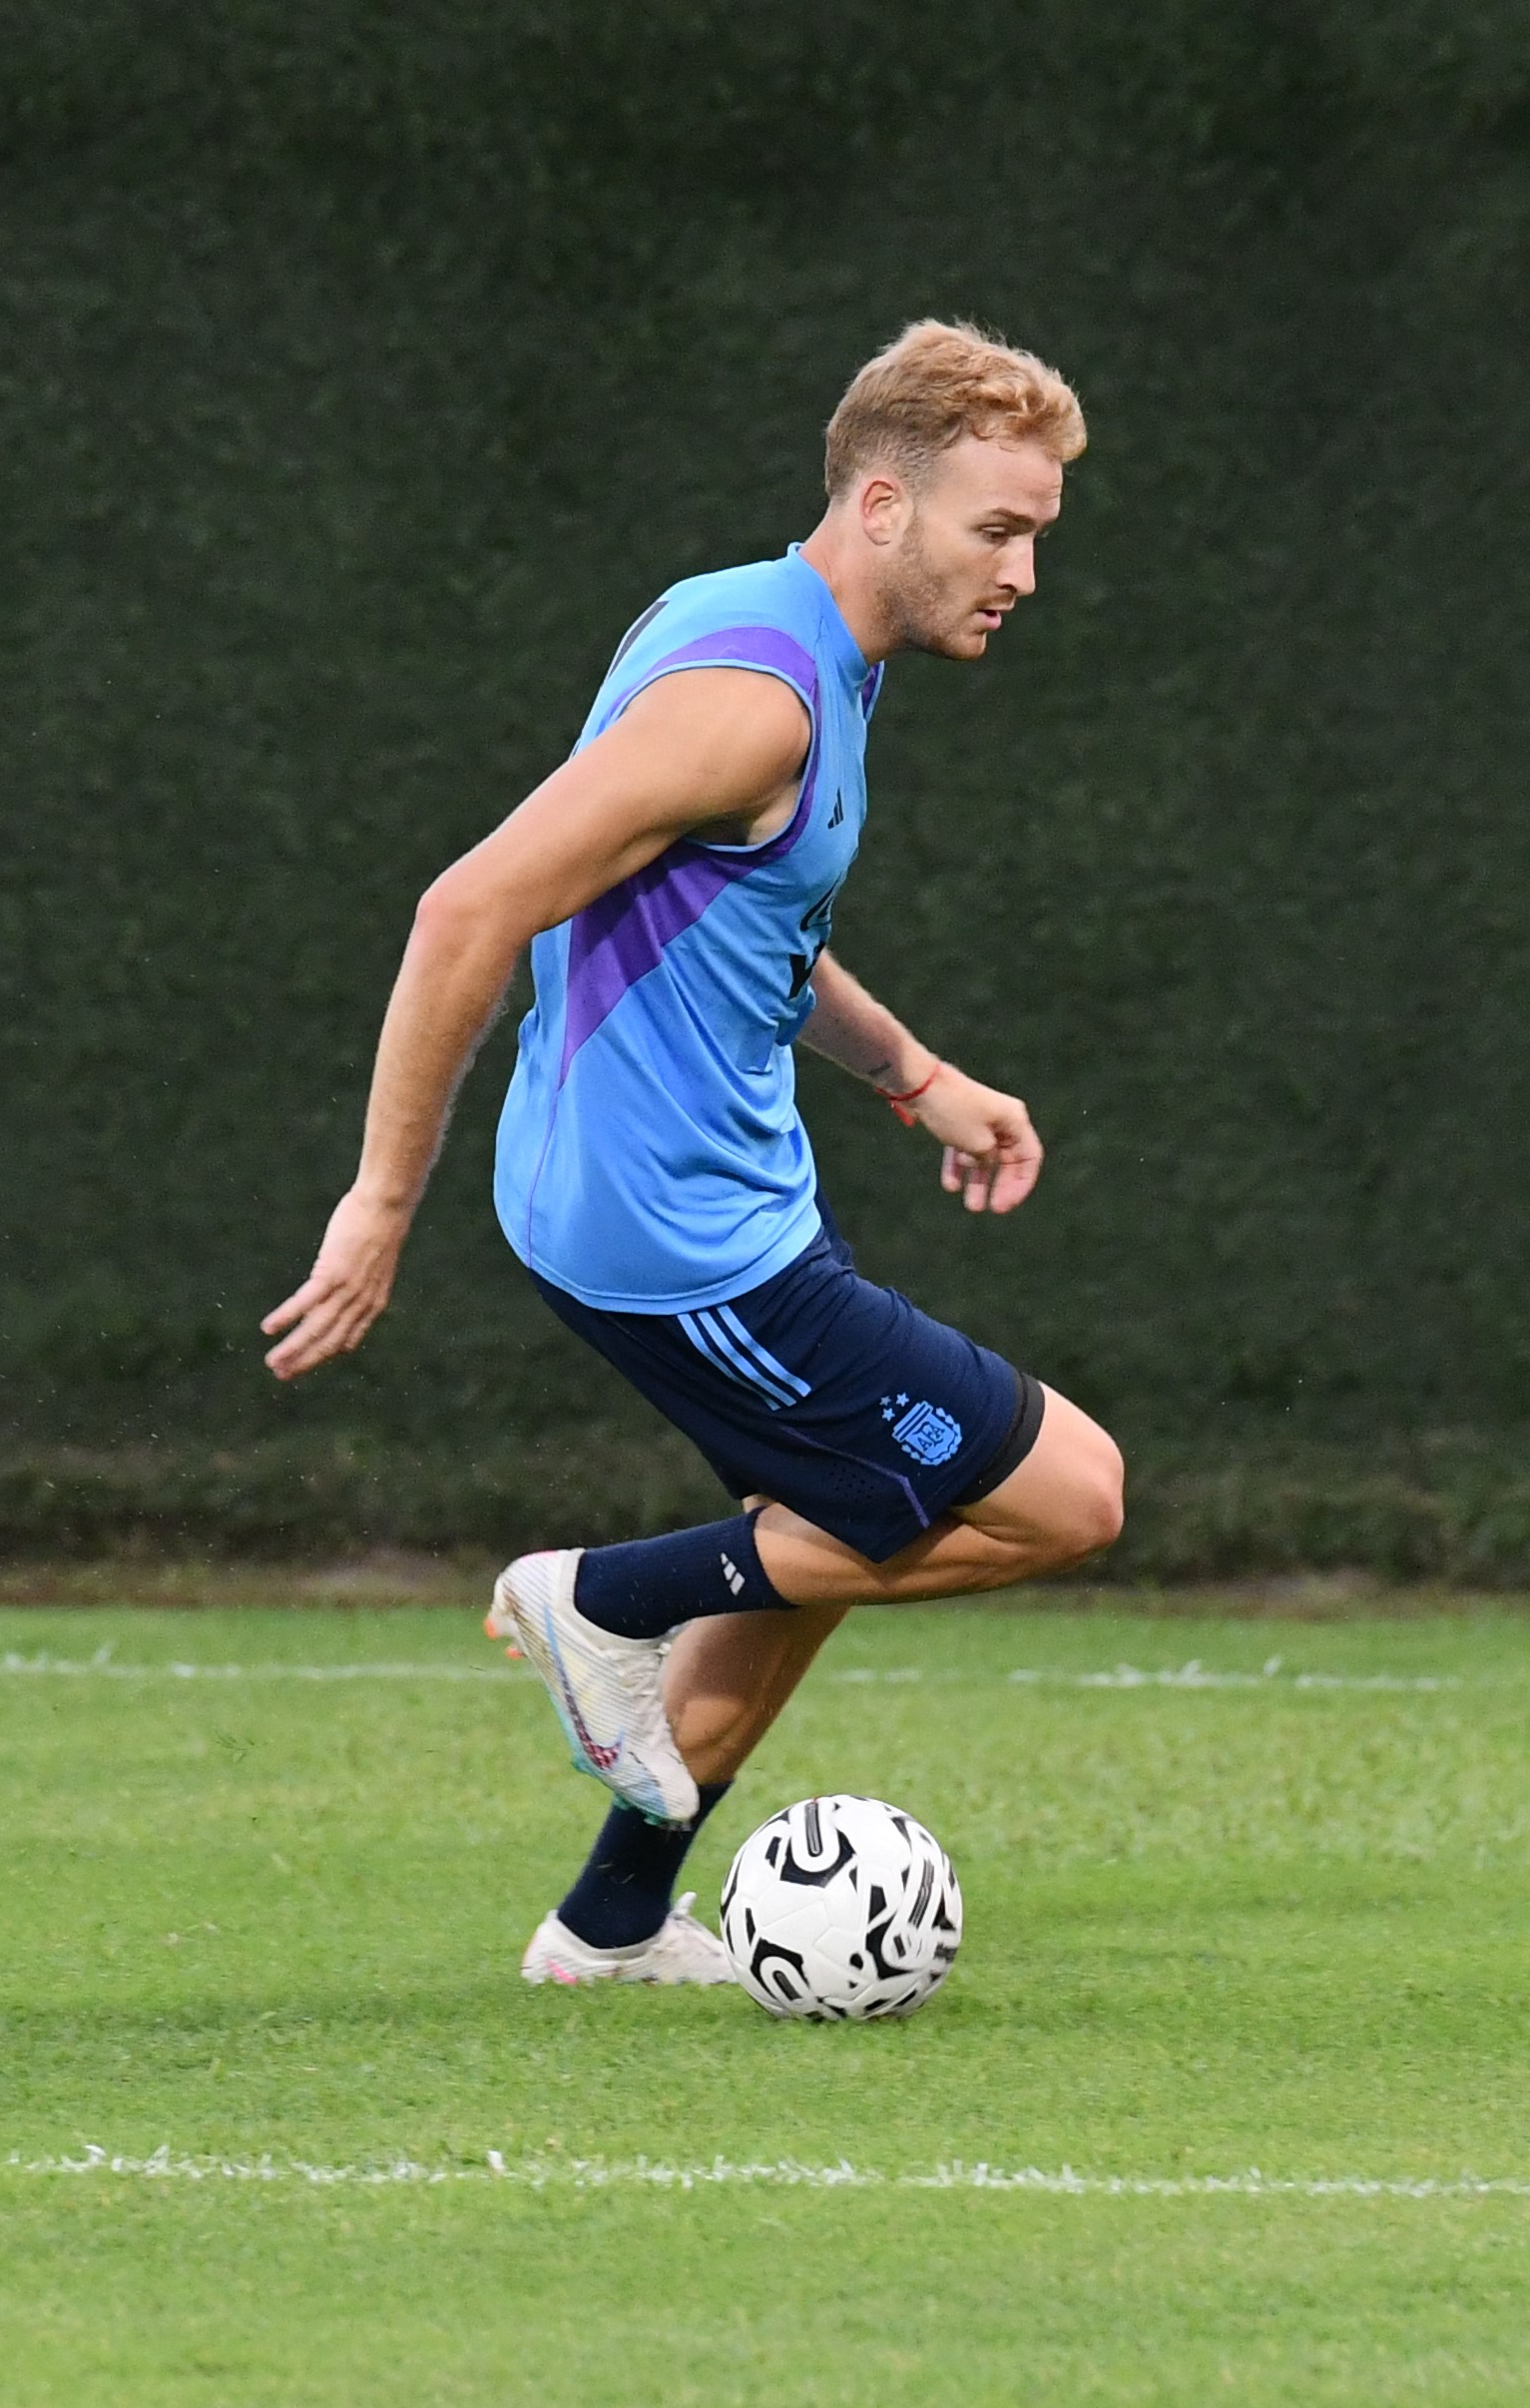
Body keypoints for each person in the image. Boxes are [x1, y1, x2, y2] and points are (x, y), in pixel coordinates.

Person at [259, 321, 1127, 1988]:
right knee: (1066, 1498)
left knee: (815, 1538)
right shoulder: (751, 702)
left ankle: (609, 1926)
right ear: (882, 504)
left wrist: (912, 1074)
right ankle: (605, 1598)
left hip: (675, 1197)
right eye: (996, 531)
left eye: (1038, 535)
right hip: (677, 1236)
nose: (1023, 571)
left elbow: (744, 921)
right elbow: (470, 904)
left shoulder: (770, 624)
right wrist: (378, 1205)